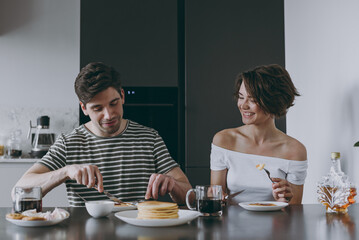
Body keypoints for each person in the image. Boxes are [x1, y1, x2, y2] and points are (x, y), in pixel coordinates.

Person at [13, 62, 192, 206]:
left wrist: (173, 184)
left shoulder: (150, 138)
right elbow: (19, 191)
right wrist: (66, 172)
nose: (109, 115)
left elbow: (190, 197)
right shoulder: (69, 143)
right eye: (97, 108)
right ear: (84, 108)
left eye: (114, 103)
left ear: (122, 95)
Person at [210, 64, 308, 205]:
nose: (243, 105)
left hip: (277, 225)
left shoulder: (294, 150)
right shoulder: (224, 140)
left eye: (252, 100)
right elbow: (216, 196)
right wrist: (215, 197)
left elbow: (294, 211)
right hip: (231, 226)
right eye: (241, 97)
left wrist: (284, 201)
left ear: (273, 102)